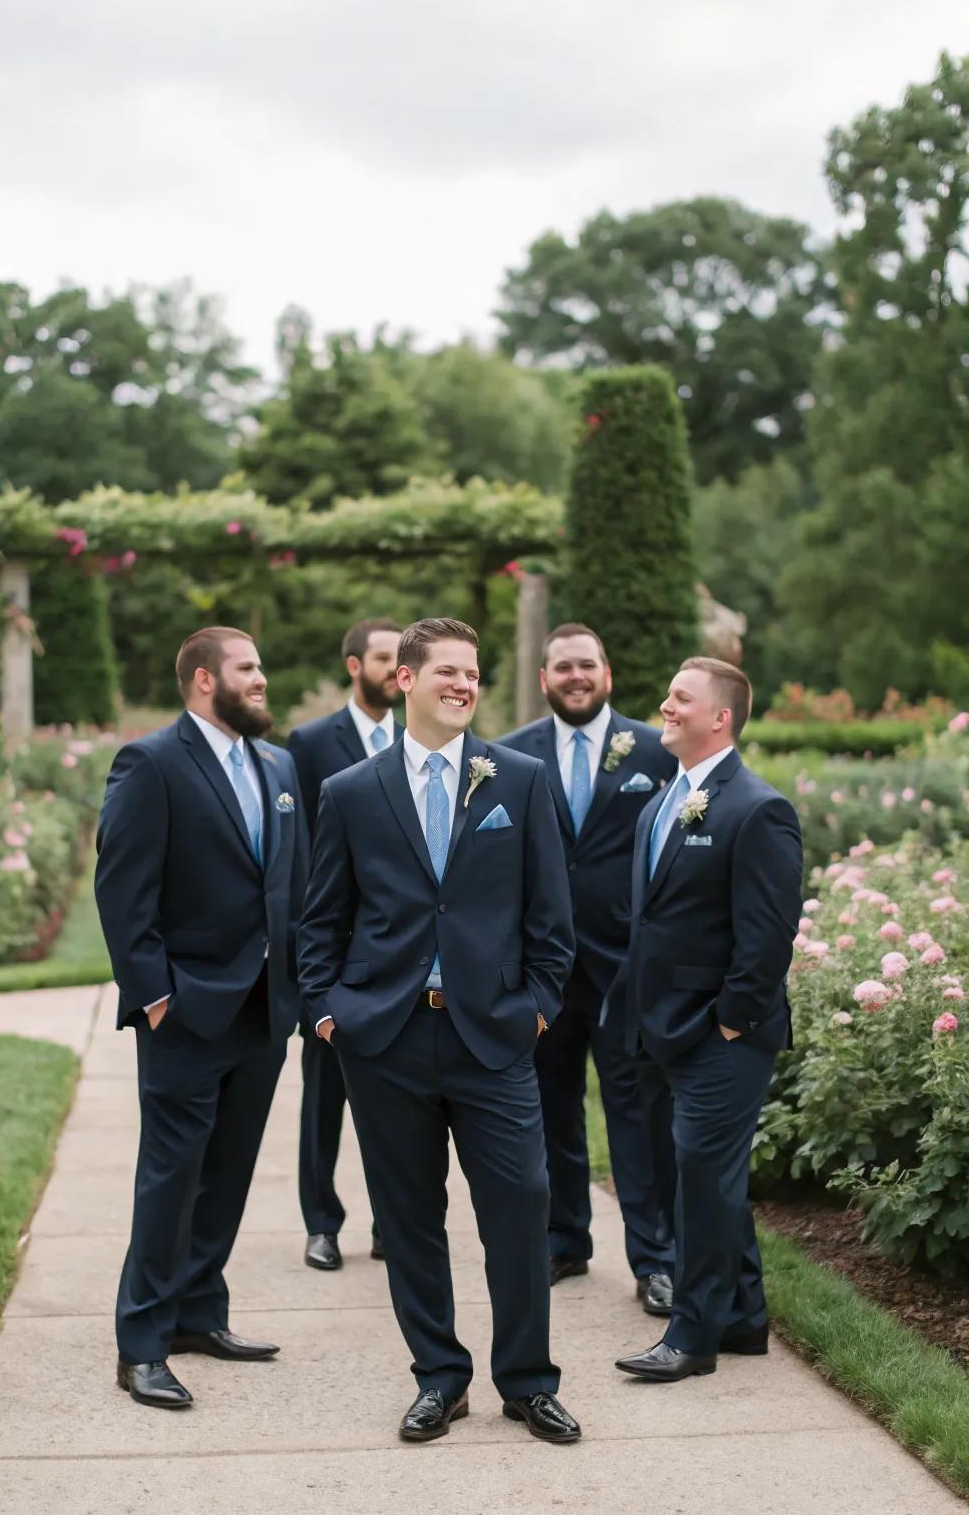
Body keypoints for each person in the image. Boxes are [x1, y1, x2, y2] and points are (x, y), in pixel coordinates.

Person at [298, 617, 581, 1444]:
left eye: (474, 674)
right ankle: (439, 1379)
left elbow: (551, 916)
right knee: (410, 1218)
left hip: (493, 1035)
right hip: (384, 1041)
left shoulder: (519, 780)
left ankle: (528, 1382)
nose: (464, 684)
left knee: (521, 1207)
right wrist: (327, 1014)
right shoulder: (350, 790)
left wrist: (535, 1004)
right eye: (448, 672)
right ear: (405, 682)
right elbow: (323, 920)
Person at [95, 626, 309, 1410]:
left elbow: (296, 885)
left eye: (260, 665)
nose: (261, 679)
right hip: (184, 1011)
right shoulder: (150, 763)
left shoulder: (279, 764)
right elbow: (123, 889)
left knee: (228, 1174)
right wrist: (155, 997)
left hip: (264, 1010)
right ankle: (141, 1344)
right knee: (171, 1177)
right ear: (201, 680)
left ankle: (198, 1314)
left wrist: (299, 989)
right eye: (247, 668)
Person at [605, 657, 802, 1382]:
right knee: (702, 1177)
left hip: (724, 1036)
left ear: (720, 717)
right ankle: (746, 1318)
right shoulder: (663, 802)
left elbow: (768, 937)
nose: (665, 705)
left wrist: (730, 1023)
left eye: (680, 698)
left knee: (702, 1178)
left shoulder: (758, 809)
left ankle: (693, 1336)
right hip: (662, 1025)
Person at [499, 623, 678, 1316]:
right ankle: (564, 1239)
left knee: (635, 1111)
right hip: (541, 969)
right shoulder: (509, 757)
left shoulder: (658, 752)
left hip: (627, 967)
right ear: (544, 679)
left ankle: (654, 1257)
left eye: (587, 665)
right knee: (549, 1108)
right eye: (562, 667)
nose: (575, 676)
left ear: (607, 673)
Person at [287, 617, 402, 1271]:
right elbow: (304, 857)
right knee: (323, 1097)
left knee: (401, 1103)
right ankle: (321, 1223)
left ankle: (392, 1221)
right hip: (335, 953)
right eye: (384, 656)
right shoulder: (308, 744)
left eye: (401, 657)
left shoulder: (426, 739)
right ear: (354, 664)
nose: (395, 668)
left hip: (403, 952)